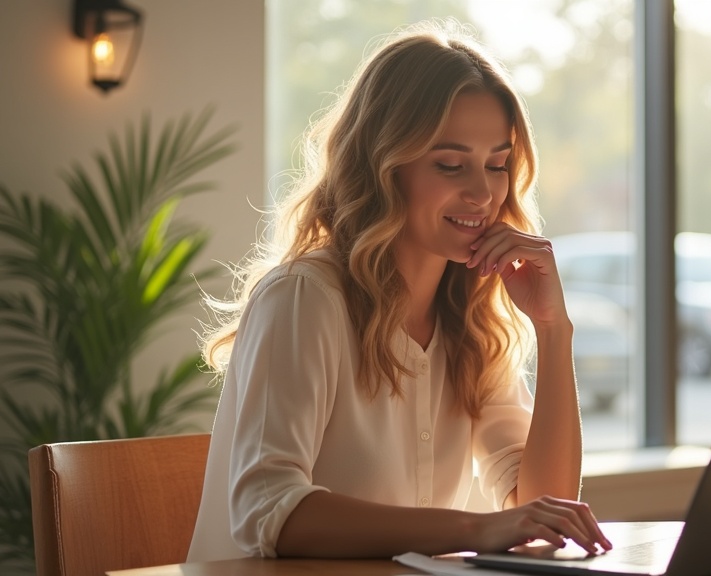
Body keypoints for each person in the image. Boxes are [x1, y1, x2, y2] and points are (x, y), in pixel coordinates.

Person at [187, 20, 613, 562]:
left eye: (498, 165)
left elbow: (541, 503)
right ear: (383, 167)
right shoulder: (304, 298)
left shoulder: (472, 320)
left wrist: (554, 330)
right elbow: (269, 512)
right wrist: (475, 529)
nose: (483, 192)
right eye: (451, 164)